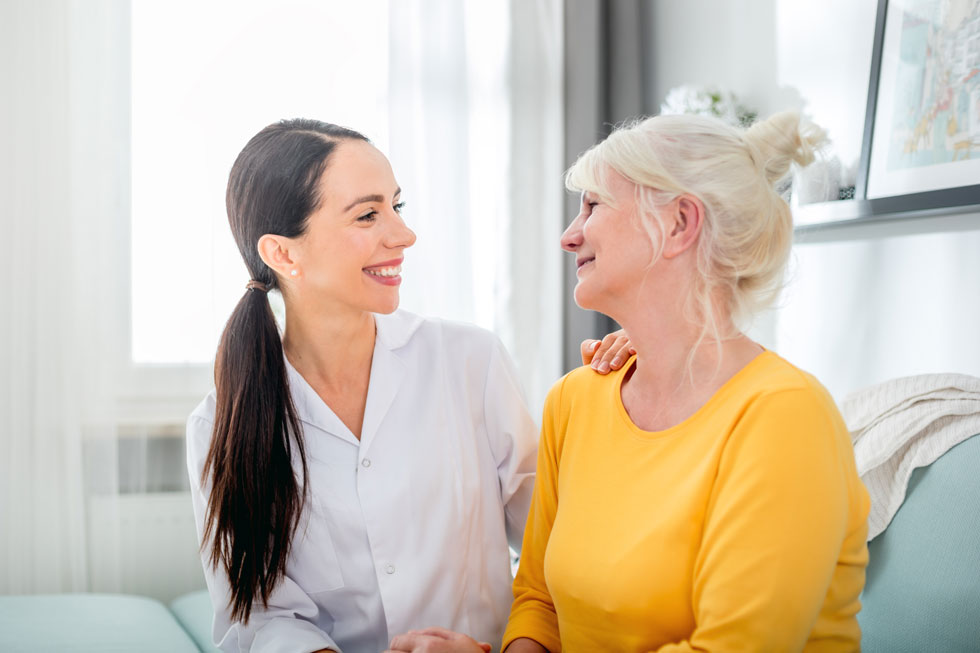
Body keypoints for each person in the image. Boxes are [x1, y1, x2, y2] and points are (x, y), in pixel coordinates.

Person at [186, 119, 630, 653]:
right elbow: (258, 617)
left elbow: (557, 549)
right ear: (284, 254)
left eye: (397, 207)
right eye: (368, 214)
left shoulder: (469, 361)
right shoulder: (221, 424)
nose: (403, 235)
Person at [494, 111, 872, 652]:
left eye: (594, 204)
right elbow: (538, 602)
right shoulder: (574, 400)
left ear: (678, 224)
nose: (569, 235)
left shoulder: (785, 416)